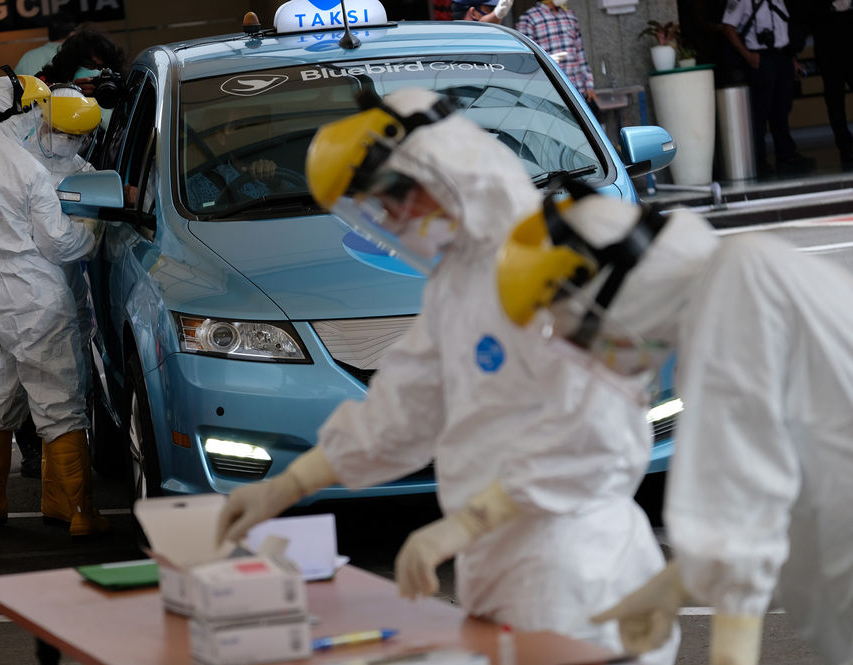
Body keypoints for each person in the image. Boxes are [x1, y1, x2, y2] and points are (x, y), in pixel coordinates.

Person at [214, 87, 678, 665]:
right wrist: (286, 486)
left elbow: (599, 432)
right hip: (501, 570)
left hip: (584, 573)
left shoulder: (557, 255)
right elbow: (403, 409)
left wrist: (462, 526)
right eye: (374, 209)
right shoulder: (457, 279)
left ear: (441, 169)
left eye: (392, 199)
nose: (391, 220)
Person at [494, 182, 853, 665]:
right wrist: (678, 583)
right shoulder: (731, 289)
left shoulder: (739, 283)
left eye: (584, 329)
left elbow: (743, 480)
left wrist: (732, 643)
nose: (597, 353)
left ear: (616, 288)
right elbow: (786, 469)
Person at [0, 69, 109, 552]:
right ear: (24, 110)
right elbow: (58, 243)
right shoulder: (25, 167)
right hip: (30, 288)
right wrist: (91, 235)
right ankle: (79, 514)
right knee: (58, 401)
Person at [14, 83, 103, 484]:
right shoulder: (16, 161)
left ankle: (64, 473)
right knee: (20, 380)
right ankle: (36, 454)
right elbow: (65, 242)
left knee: (69, 378)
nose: (68, 143)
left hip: (61, 290)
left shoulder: (86, 174)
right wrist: (87, 234)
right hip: (22, 286)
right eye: (62, 132)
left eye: (77, 137)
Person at [722, 0, 813, 175]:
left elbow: (782, 28)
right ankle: (759, 160)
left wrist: (791, 59)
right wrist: (747, 55)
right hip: (760, 58)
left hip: (782, 56)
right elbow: (728, 28)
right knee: (759, 112)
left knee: (782, 108)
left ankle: (786, 154)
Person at [792, 0, 853, 169]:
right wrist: (831, 7)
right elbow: (805, 15)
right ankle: (845, 147)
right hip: (829, 51)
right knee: (835, 102)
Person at [515, 0, 597, 106]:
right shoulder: (528, 19)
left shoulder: (570, 15)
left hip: (577, 89)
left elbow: (580, 52)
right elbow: (526, 58)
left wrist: (589, 85)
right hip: (550, 91)